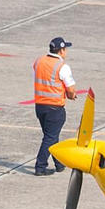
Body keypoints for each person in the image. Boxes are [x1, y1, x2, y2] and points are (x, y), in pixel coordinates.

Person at [33, 37, 77, 176]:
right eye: (65, 49)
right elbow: (71, 89)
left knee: (51, 136)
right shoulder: (62, 66)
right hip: (55, 108)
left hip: (40, 106)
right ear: (61, 50)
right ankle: (40, 166)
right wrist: (71, 96)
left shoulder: (39, 61)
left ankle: (59, 163)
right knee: (50, 137)